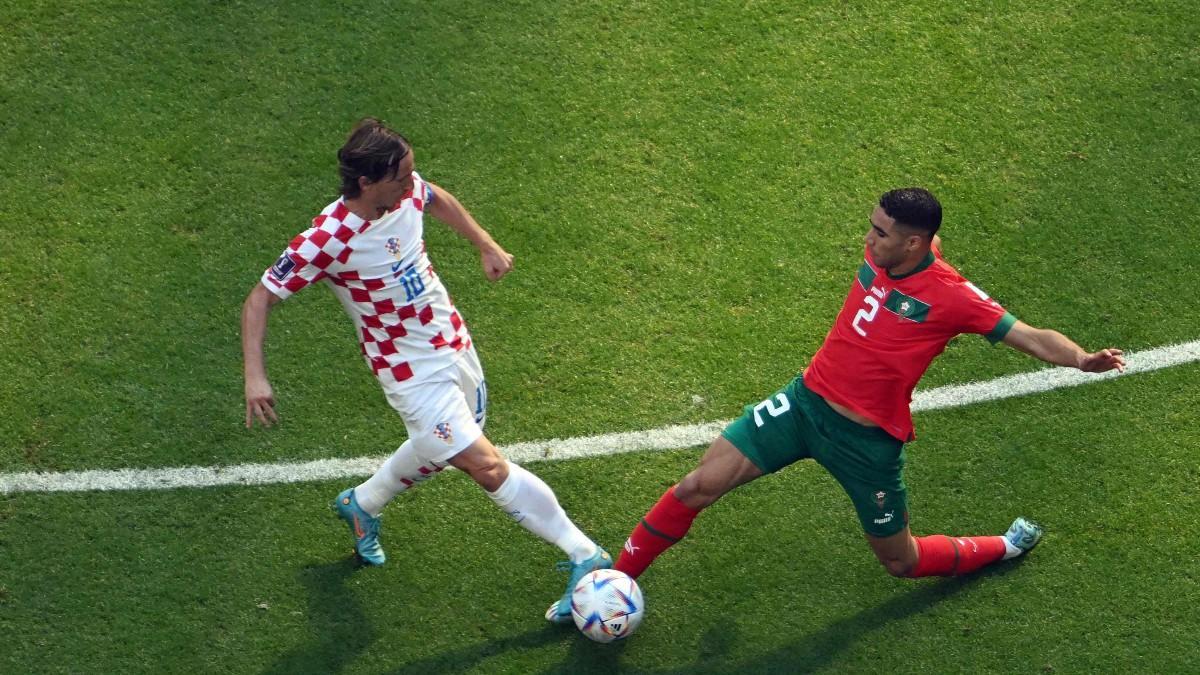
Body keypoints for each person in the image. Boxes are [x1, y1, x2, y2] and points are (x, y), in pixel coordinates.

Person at [607, 187, 1126, 589]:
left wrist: (1081, 359)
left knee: (901, 562)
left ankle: (1004, 547)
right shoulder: (890, 251)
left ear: (915, 242)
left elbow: (1030, 337)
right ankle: (611, 581)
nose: (869, 239)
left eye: (881, 233)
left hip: (866, 443)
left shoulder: (953, 297)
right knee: (696, 486)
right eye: (872, 227)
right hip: (803, 404)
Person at [241, 118, 610, 624]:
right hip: (410, 374)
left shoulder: (405, 192)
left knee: (449, 441)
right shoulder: (327, 239)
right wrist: (255, 376)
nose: (412, 181)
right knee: (486, 466)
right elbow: (261, 297)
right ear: (367, 182)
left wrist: (484, 243)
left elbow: (434, 197)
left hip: (452, 341)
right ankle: (585, 556)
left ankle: (362, 504)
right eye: (402, 175)